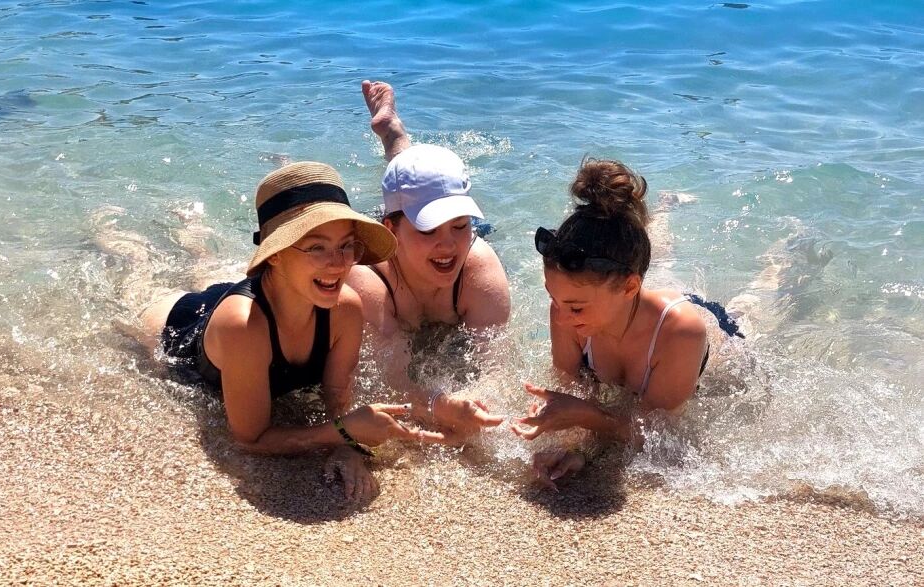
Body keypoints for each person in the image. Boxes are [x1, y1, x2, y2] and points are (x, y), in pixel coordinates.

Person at [100, 161, 446, 501]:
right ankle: (106, 229)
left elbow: (337, 395)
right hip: (180, 324)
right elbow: (249, 438)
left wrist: (348, 449)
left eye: (346, 245)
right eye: (317, 247)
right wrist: (343, 432)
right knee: (135, 275)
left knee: (205, 266)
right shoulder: (243, 328)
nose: (339, 263)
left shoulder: (345, 308)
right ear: (275, 254)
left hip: (270, 293)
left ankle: (194, 236)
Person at [510, 157, 744, 489]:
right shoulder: (567, 310)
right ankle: (665, 207)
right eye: (553, 298)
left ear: (630, 287)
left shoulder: (681, 334)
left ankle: (786, 251)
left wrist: (586, 416)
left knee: (758, 296)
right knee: (656, 261)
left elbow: (661, 434)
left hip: (712, 326)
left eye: (575, 307)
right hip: (630, 302)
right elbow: (573, 395)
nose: (561, 317)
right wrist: (573, 448)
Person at [347, 80, 511, 442]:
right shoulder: (367, 278)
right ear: (389, 230)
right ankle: (394, 137)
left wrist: (475, 405)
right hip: (392, 250)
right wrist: (439, 405)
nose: (448, 244)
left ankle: (393, 133)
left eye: (460, 225)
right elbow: (389, 383)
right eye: (429, 228)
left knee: (424, 186)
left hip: (410, 229)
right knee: (406, 191)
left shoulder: (478, 266)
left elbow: (496, 369)